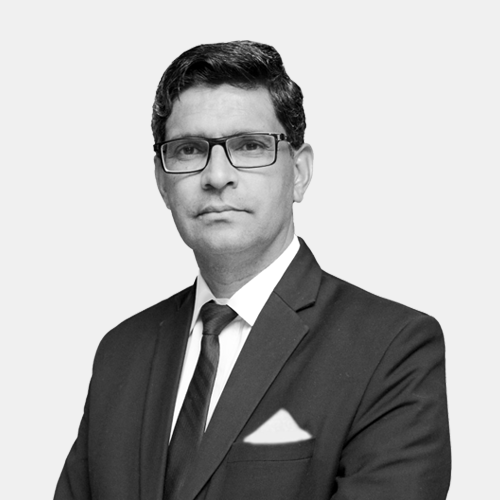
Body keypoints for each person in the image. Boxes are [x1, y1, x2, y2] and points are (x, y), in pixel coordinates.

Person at [54, 40, 451, 500]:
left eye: (249, 146)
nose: (217, 176)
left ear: (299, 172)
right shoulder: (121, 353)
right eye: (189, 149)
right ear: (162, 181)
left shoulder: (393, 347)